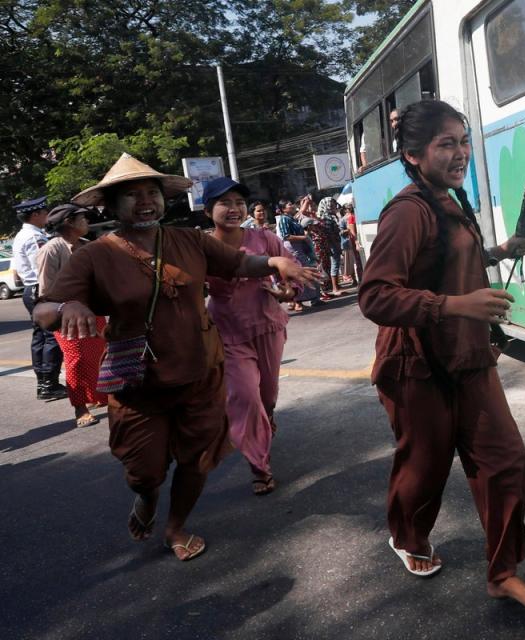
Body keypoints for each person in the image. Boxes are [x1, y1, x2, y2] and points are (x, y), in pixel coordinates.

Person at [33, 153, 319, 562]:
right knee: (144, 472)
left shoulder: (190, 241)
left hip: (201, 375)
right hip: (139, 387)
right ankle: (147, 500)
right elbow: (44, 310)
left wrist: (274, 261)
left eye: (152, 192)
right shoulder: (95, 256)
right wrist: (68, 309)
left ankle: (175, 525)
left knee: (196, 460)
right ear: (111, 207)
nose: (146, 200)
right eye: (132, 195)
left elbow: (241, 262)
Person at [357, 100, 525, 607]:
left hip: (468, 355)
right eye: (447, 144)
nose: (461, 152)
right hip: (415, 364)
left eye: (463, 141)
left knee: (507, 460)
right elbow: (375, 296)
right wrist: (458, 304)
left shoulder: (451, 199)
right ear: (415, 155)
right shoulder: (407, 210)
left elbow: (445, 255)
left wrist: (498, 251)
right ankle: (408, 536)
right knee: (425, 465)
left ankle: (503, 572)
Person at [204, 178, 296, 496]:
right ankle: (259, 465)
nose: (234, 209)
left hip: (268, 324)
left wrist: (288, 290)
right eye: (224, 203)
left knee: (267, 396)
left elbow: (291, 269)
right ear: (207, 210)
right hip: (227, 332)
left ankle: (267, 416)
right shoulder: (202, 248)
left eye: (238, 202)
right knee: (244, 397)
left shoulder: (264, 238)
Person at [36, 203, 107, 427]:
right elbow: (46, 291)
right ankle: (80, 408)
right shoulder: (52, 249)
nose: (87, 222)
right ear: (69, 222)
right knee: (75, 360)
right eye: (82, 218)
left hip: (93, 311)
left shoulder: (87, 246)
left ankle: (96, 396)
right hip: (66, 315)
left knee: (97, 356)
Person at [12, 196, 67, 400]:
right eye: (45, 212)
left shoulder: (21, 235)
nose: (47, 215)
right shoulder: (36, 237)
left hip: (30, 289)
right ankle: (49, 384)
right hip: (40, 288)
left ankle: (43, 383)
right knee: (51, 335)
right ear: (35, 215)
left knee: (40, 337)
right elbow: (43, 267)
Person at [276, 196, 319, 311]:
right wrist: (303, 237)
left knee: (302, 272)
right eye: (289, 204)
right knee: (297, 274)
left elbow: (301, 212)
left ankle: (299, 301)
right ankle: (297, 302)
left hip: (298, 247)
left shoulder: (291, 218)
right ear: (283, 209)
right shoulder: (284, 219)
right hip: (292, 248)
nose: (292, 205)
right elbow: (287, 236)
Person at [313, 196, 344, 295]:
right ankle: (335, 288)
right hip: (333, 244)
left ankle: (336, 286)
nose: (333, 204)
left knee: (335, 264)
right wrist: (336, 245)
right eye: (331, 203)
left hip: (334, 243)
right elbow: (330, 234)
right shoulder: (326, 217)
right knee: (335, 265)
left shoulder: (330, 215)